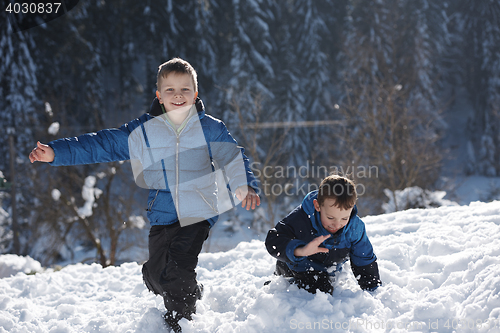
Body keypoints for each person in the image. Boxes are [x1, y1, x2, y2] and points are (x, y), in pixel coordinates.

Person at [29, 58, 260, 332]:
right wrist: (57, 152)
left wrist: (243, 183)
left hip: (199, 211)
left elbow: (232, 156)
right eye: (170, 90)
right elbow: (103, 145)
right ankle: (184, 288)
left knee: (177, 266)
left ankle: (180, 321)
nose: (178, 95)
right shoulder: (144, 131)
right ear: (159, 95)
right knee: (158, 273)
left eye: (185, 90)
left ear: (196, 94)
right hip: (162, 213)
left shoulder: (210, 128)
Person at [265, 175, 381, 294]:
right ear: (317, 206)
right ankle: (280, 284)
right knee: (319, 292)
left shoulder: (355, 228)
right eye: (330, 217)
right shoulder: (301, 219)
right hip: (297, 265)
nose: (337, 224)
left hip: (328, 269)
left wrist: (372, 288)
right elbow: (274, 239)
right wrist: (300, 250)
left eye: (344, 218)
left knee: (324, 289)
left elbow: (363, 257)